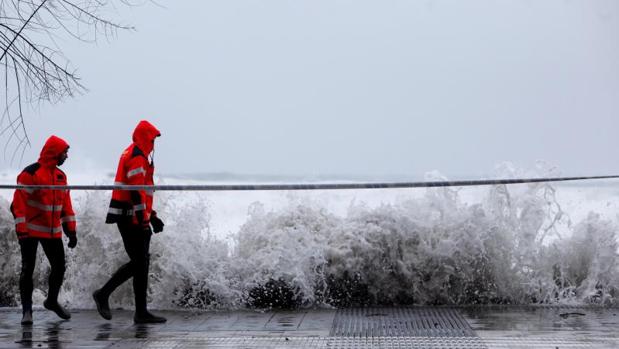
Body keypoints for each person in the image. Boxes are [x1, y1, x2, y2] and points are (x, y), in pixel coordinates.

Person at [93, 120, 166, 324]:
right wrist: (144, 219)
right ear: (146, 137)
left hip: (132, 215)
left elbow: (140, 192)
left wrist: (152, 216)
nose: (154, 143)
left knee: (141, 263)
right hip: (130, 218)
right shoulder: (136, 157)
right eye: (153, 139)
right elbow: (135, 192)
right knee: (139, 262)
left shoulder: (135, 154)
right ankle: (103, 293)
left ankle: (141, 312)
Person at [11, 135, 77, 325]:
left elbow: (66, 206)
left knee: (59, 267)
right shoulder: (30, 173)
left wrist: (71, 230)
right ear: (55, 153)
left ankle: (52, 301)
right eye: (65, 152)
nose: (66, 156)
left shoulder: (60, 176)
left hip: (52, 231)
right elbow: (18, 205)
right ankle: (27, 311)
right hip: (29, 231)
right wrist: (21, 229)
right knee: (27, 269)